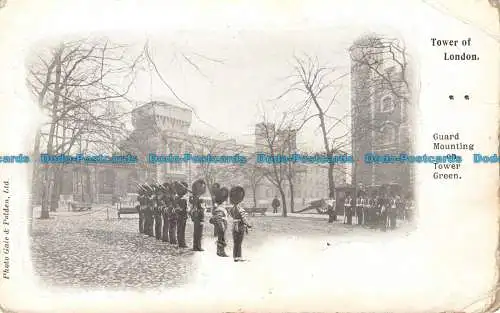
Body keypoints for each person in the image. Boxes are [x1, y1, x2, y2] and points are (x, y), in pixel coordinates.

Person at [228, 186, 252, 262]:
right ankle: (239, 257)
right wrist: (249, 225)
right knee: (239, 242)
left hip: (234, 226)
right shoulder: (241, 209)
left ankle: (235, 257)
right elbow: (244, 219)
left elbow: (231, 215)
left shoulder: (232, 209)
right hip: (240, 226)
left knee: (235, 243)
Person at [210, 187, 230, 257]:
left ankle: (220, 251)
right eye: (223, 192)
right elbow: (216, 213)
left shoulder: (224, 203)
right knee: (221, 235)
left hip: (224, 221)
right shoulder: (218, 204)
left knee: (222, 237)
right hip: (220, 220)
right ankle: (220, 251)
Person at [189, 179, 206, 252]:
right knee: (199, 233)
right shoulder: (200, 198)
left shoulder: (194, 197)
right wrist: (202, 219)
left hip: (195, 216)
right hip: (199, 217)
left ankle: (195, 246)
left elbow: (192, 205)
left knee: (196, 232)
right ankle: (198, 246)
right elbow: (202, 209)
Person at [174, 181, 189, 248]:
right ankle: (181, 243)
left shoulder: (177, 197)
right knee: (181, 230)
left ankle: (180, 243)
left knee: (179, 229)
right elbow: (183, 209)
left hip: (179, 215)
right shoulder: (182, 199)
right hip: (182, 215)